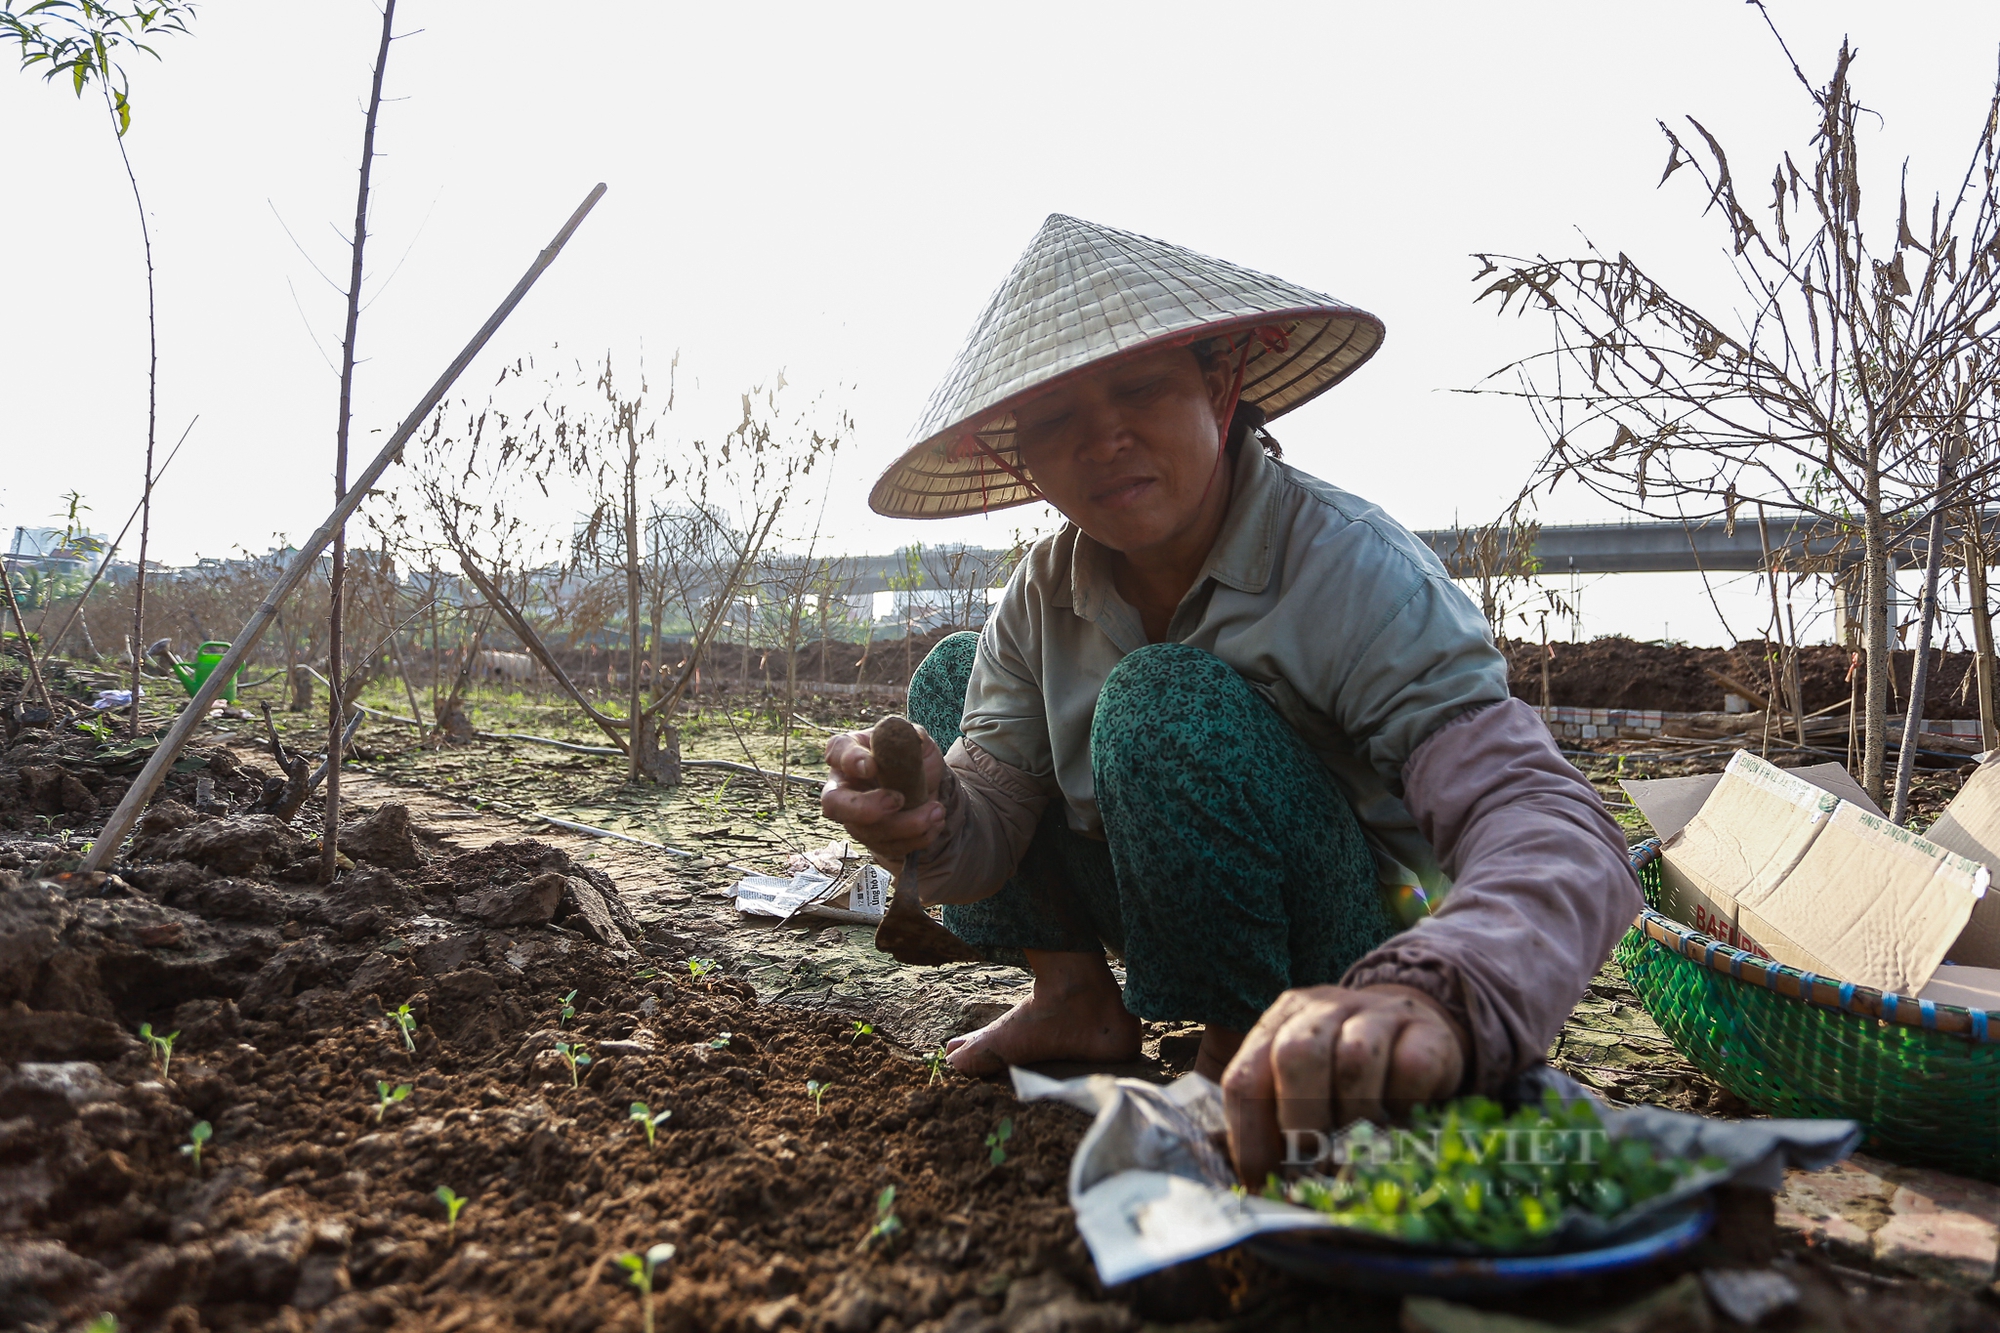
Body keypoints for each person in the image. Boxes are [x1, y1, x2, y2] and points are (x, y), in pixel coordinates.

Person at [821, 215, 1639, 1185]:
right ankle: (1075, 996)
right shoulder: (1042, 595)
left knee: (1159, 698)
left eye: (1137, 387)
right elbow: (990, 831)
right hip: (1158, 889)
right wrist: (928, 821)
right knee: (951, 680)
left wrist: (1438, 990)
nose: (1102, 437)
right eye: (1051, 419)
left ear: (1220, 387)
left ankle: (1234, 1049)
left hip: (1349, 942)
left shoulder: (1348, 568)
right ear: (1018, 459)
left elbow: (1544, 820)